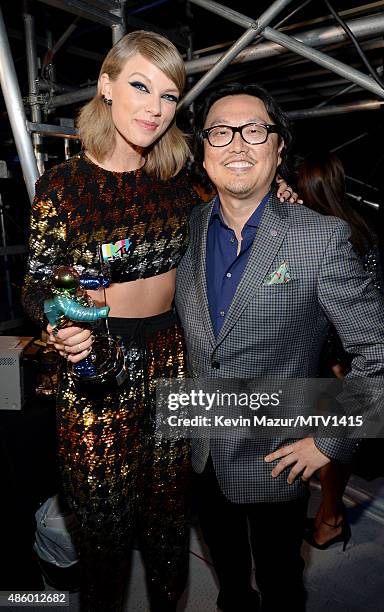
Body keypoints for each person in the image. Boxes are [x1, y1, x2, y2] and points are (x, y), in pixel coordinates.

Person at [21, 33, 297, 611]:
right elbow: (39, 282)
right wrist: (61, 321)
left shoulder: (179, 180)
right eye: (140, 87)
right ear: (106, 86)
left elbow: (244, 198)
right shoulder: (63, 186)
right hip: (94, 370)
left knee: (171, 525)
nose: (154, 107)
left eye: (169, 96)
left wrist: (284, 195)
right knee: (103, 534)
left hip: (174, 358)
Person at [175, 83, 384, 612]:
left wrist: (329, 443)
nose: (236, 143)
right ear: (204, 152)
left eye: (254, 130)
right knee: (230, 583)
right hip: (201, 448)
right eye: (220, 132)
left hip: (277, 456)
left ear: (279, 149)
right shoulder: (184, 230)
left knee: (280, 583)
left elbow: (382, 352)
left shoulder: (319, 238)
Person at [297, 151, 382, 549]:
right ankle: (329, 515)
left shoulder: (330, 235)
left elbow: (345, 308)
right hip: (349, 357)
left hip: (338, 360)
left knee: (332, 443)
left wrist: (339, 363)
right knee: (338, 440)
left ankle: (330, 519)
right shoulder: (361, 228)